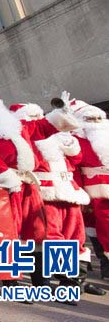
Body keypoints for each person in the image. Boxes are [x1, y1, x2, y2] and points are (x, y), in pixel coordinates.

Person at [0, 83, 78, 286]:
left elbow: (37, 128)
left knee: (36, 229)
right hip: (3, 184)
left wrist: (60, 113)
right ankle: (11, 280)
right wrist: (4, 177)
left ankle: (41, 280)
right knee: (9, 232)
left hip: (26, 180)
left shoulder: (9, 120)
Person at [10, 102, 89, 296]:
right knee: (51, 237)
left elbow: (77, 159)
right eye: (33, 117)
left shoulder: (57, 137)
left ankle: (73, 280)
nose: (38, 120)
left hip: (69, 191)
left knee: (75, 235)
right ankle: (58, 280)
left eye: (40, 115)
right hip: (44, 193)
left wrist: (68, 142)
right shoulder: (26, 139)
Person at [69, 99, 109, 282]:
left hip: (94, 191)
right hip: (92, 192)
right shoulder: (76, 140)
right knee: (95, 228)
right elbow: (74, 168)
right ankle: (104, 263)